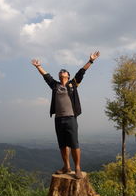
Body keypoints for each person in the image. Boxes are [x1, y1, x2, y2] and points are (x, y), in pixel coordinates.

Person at [31, 51, 100, 179]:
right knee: (62, 145)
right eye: (60, 71)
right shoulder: (55, 86)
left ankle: (77, 167)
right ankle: (66, 166)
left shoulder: (73, 84)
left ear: (68, 75)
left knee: (74, 144)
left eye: (65, 71)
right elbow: (46, 76)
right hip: (58, 119)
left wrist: (90, 60)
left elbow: (81, 72)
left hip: (71, 118)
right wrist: (38, 66)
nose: (62, 71)